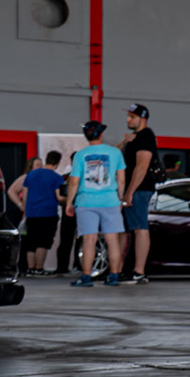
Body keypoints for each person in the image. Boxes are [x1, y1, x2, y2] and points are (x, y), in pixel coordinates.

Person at [66, 121, 127, 288]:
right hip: (110, 201)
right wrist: (120, 198)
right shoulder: (115, 153)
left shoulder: (80, 155)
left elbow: (74, 182)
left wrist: (69, 202)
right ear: (101, 134)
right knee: (112, 239)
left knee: (89, 239)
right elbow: (121, 179)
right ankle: (113, 276)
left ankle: (86, 277)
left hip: (86, 202)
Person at [8, 150, 66, 277]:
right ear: (57, 163)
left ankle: (30, 268)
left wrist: (24, 207)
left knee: (31, 243)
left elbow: (25, 194)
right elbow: (59, 197)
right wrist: (67, 199)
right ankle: (39, 269)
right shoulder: (56, 177)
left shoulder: (30, 175)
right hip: (48, 213)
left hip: (32, 213)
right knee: (43, 243)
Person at [119, 103, 159, 285]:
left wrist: (129, 192)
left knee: (140, 228)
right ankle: (123, 270)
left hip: (139, 189)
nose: (128, 120)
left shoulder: (145, 136)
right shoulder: (134, 138)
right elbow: (116, 152)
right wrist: (125, 142)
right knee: (129, 229)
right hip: (134, 189)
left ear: (142, 119)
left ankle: (139, 272)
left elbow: (142, 166)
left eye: (132, 117)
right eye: (128, 116)